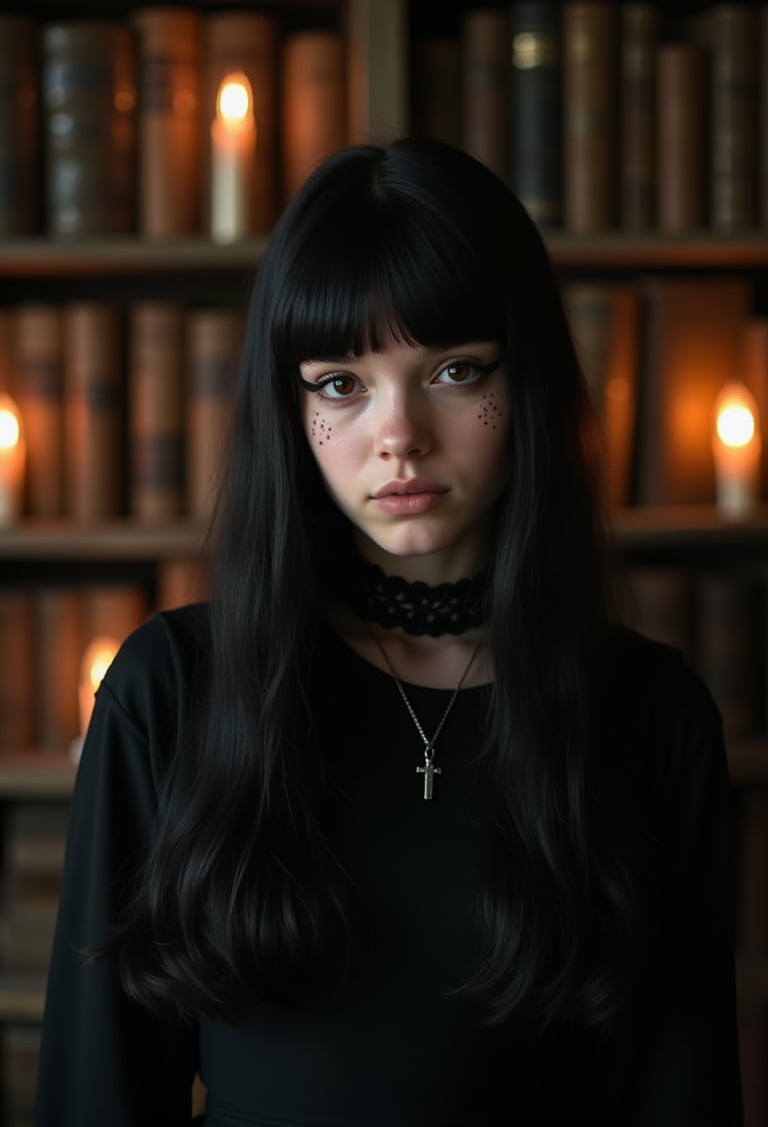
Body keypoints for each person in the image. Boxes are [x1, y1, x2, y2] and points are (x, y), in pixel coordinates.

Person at [35, 138, 742, 1126]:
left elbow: (681, 1092)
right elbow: (96, 1093)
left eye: (454, 369)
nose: (399, 432)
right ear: (290, 408)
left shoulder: (651, 714)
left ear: (525, 381)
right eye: (340, 383)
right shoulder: (173, 688)